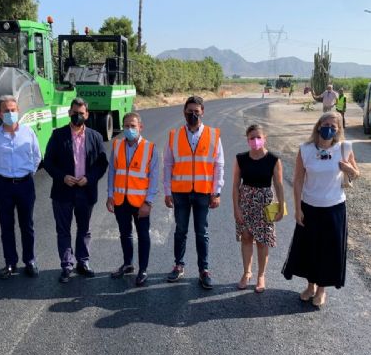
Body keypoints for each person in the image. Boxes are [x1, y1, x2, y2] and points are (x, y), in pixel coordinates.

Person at [281, 111, 360, 308]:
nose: (329, 129)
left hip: (334, 208)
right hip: (310, 207)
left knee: (328, 251)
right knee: (310, 249)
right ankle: (310, 286)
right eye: (326, 124)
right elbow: (298, 179)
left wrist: (349, 169)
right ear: (318, 125)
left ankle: (322, 290)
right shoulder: (305, 149)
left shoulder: (344, 148)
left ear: (339, 130)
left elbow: (356, 173)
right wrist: (297, 208)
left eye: (334, 126)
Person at [43, 97, 108, 283]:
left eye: (81, 113)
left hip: (85, 191)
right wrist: (62, 177)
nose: (77, 116)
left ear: (87, 114)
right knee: (63, 230)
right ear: (69, 113)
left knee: (84, 229)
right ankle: (66, 266)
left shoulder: (95, 137)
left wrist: (89, 178)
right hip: (63, 191)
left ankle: (83, 261)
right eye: (74, 112)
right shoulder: (58, 135)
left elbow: (102, 164)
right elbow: (48, 162)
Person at [164, 95, 224, 289]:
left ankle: (203, 270)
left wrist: (217, 192)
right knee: (180, 231)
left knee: (202, 232)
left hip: (203, 193)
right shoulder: (174, 135)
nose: (193, 115)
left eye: (196, 112)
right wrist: (167, 191)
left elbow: (219, 165)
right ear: (184, 113)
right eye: (189, 112)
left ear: (203, 112)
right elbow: (168, 165)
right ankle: (178, 266)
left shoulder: (213, 135)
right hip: (180, 192)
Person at [0, 95, 41, 279]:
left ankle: (30, 261)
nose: (10, 113)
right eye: (6, 110)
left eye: (13, 110)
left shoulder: (28, 132)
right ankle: (10, 262)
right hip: (3, 185)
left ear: (18, 111)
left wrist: (27, 173)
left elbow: (36, 157)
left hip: (25, 184)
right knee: (6, 226)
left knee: (27, 225)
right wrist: (5, 174)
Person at [107, 112, 159, 286]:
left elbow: (154, 177)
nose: (129, 129)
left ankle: (143, 269)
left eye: (133, 126)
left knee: (143, 236)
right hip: (121, 200)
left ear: (140, 127)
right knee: (125, 234)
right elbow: (112, 172)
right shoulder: (116, 145)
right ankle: (128, 264)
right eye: (126, 126)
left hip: (140, 203)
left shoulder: (150, 148)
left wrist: (149, 202)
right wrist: (110, 195)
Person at [232, 124, 285, 293]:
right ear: (247, 140)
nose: (255, 141)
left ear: (264, 138)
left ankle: (261, 275)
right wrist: (236, 209)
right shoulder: (241, 158)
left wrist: (280, 207)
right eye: (252, 138)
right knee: (246, 237)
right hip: (246, 201)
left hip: (265, 203)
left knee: (262, 241)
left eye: (258, 137)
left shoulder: (273, 159)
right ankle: (247, 272)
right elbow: (235, 185)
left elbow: (279, 184)